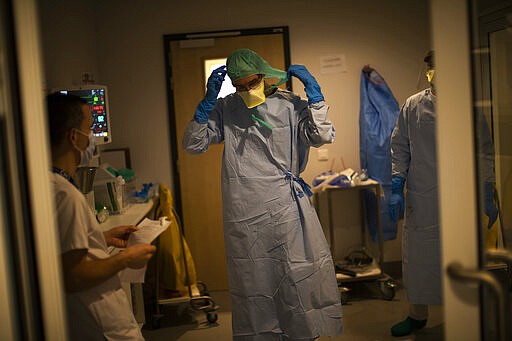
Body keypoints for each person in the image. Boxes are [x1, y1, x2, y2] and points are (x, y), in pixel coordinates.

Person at [182, 48, 343, 340]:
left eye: (251, 83)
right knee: (253, 282)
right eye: (239, 86)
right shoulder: (227, 108)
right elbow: (194, 144)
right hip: (244, 210)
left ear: (264, 75)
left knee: (295, 275)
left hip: (285, 206)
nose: (246, 91)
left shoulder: (291, 105)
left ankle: (303, 333)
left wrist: (316, 98)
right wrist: (205, 106)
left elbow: (321, 136)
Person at [388, 51, 498, 337]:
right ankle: (417, 316)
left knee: (460, 256)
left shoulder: (467, 106)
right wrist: (397, 185)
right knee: (418, 257)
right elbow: (399, 146)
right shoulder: (413, 105)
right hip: (422, 195)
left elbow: (484, 150)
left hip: (460, 195)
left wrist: (487, 189)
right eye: (432, 68)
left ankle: (466, 316)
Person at [46, 93, 156, 341]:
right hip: (100, 324)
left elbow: (63, 249)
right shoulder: (66, 195)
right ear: (74, 137)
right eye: (90, 130)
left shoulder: (49, 185)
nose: (93, 139)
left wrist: (101, 238)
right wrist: (127, 258)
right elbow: (73, 276)